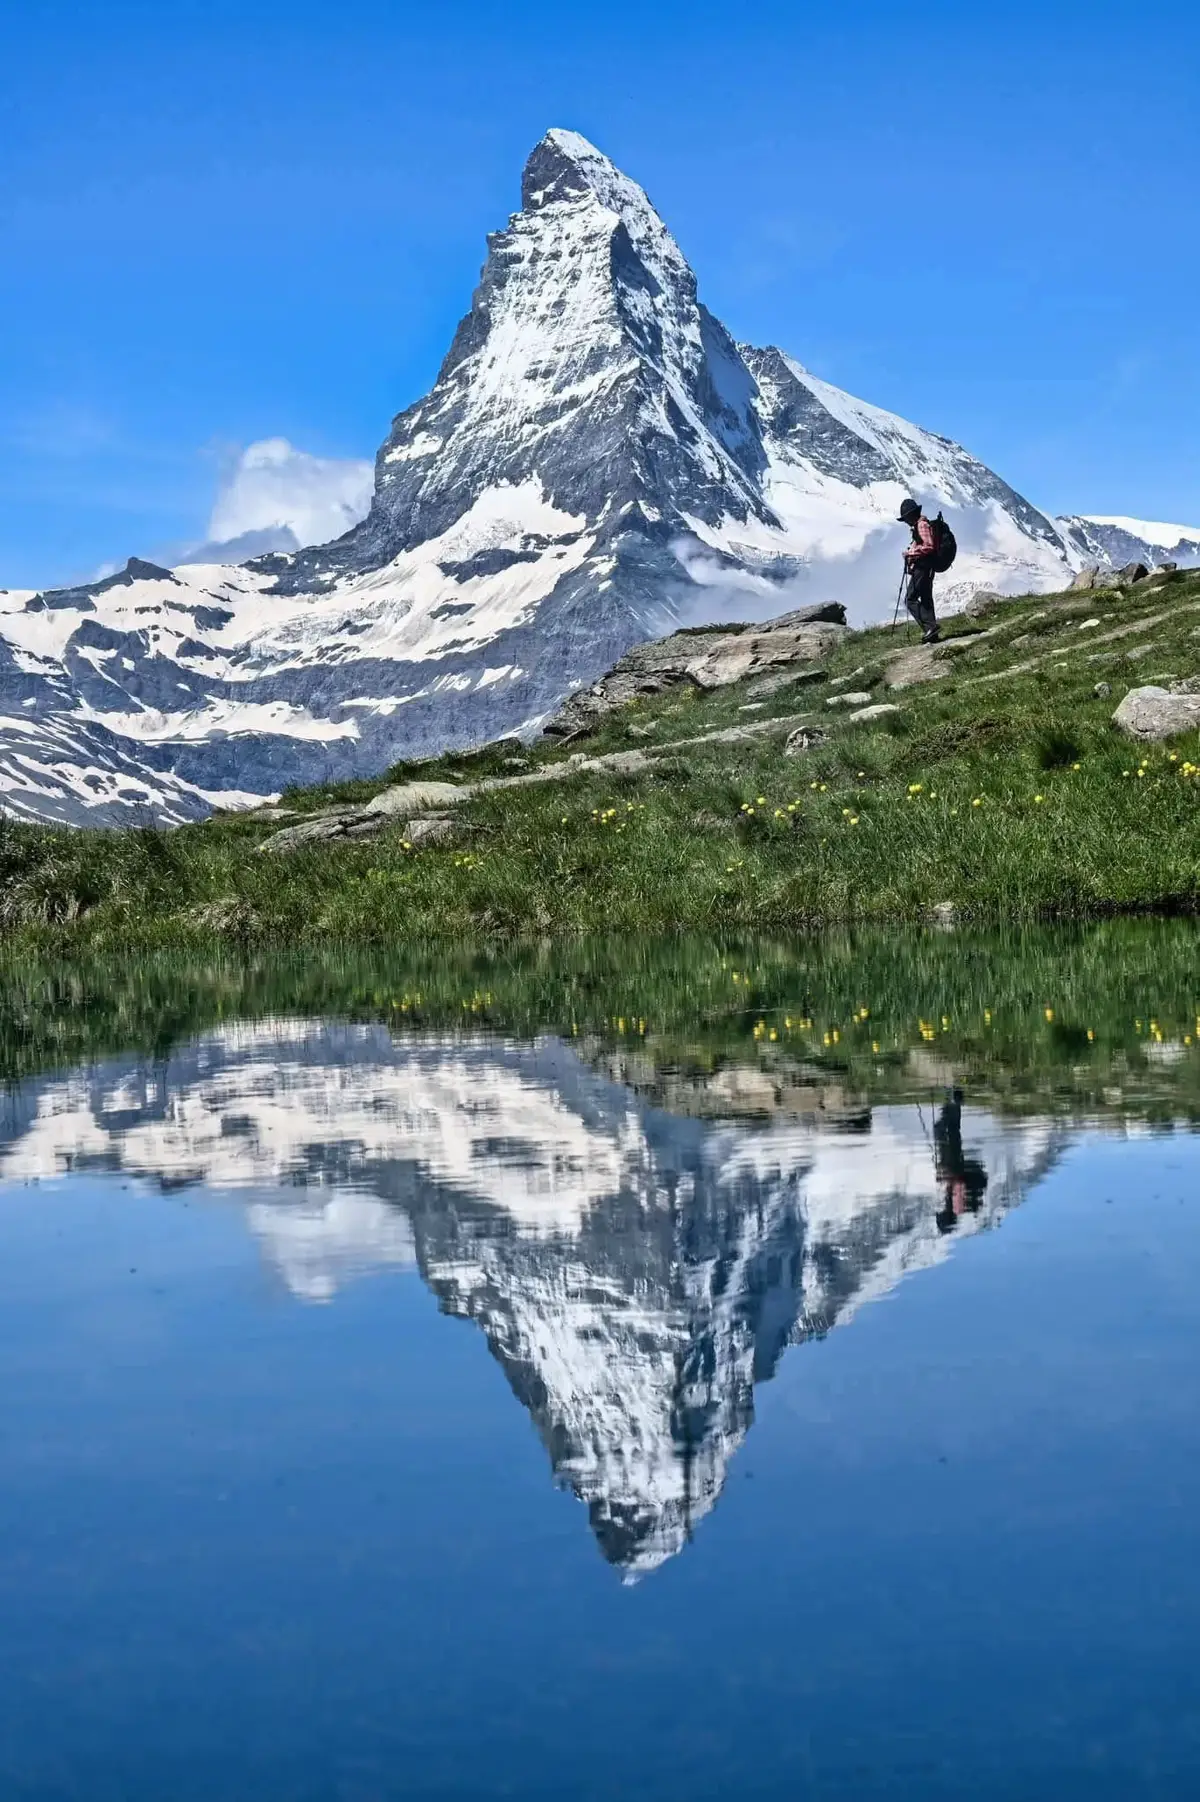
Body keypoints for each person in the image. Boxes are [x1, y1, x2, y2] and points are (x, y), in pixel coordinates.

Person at [899, 497, 939, 643]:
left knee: (910, 599)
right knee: (926, 598)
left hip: (923, 567)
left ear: (911, 515)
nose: (906, 521)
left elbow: (928, 546)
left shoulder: (921, 525)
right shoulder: (920, 525)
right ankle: (932, 632)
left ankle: (930, 628)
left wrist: (910, 553)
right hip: (927, 566)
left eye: (906, 518)